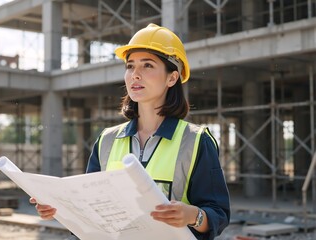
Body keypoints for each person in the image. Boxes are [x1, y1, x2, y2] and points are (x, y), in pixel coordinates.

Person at [30, 23, 230, 240]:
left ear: (172, 78)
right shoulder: (107, 140)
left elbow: (218, 214)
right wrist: (62, 209)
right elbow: (91, 211)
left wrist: (193, 216)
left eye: (147, 66)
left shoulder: (196, 141)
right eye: (130, 66)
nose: (135, 74)